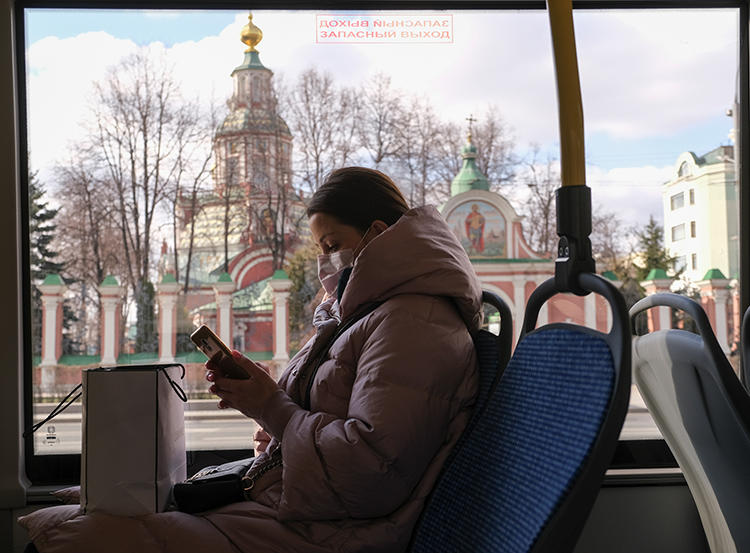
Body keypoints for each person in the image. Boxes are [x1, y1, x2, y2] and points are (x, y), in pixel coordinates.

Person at [19, 167, 482, 553]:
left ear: (376, 234)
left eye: (330, 245)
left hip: (331, 530)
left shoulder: (413, 322)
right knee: (98, 506)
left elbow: (368, 473)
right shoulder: (367, 313)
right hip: (295, 504)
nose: (324, 261)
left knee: (64, 538)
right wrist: (269, 400)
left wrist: (271, 407)